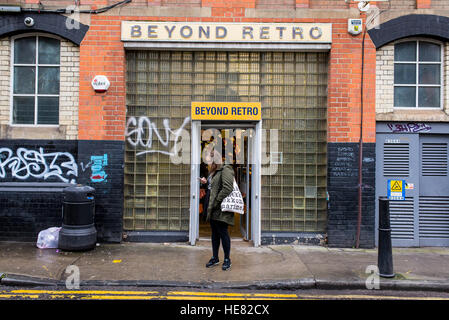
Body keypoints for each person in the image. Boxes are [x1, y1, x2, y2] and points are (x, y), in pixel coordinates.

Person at [200, 150, 235, 271]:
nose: (207, 162)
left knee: (223, 233)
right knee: (214, 233)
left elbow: (227, 188)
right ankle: (215, 257)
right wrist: (205, 183)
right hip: (213, 207)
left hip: (220, 208)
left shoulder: (225, 169)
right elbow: (212, 187)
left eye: (209, 160)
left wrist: (216, 201)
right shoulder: (213, 171)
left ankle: (227, 259)